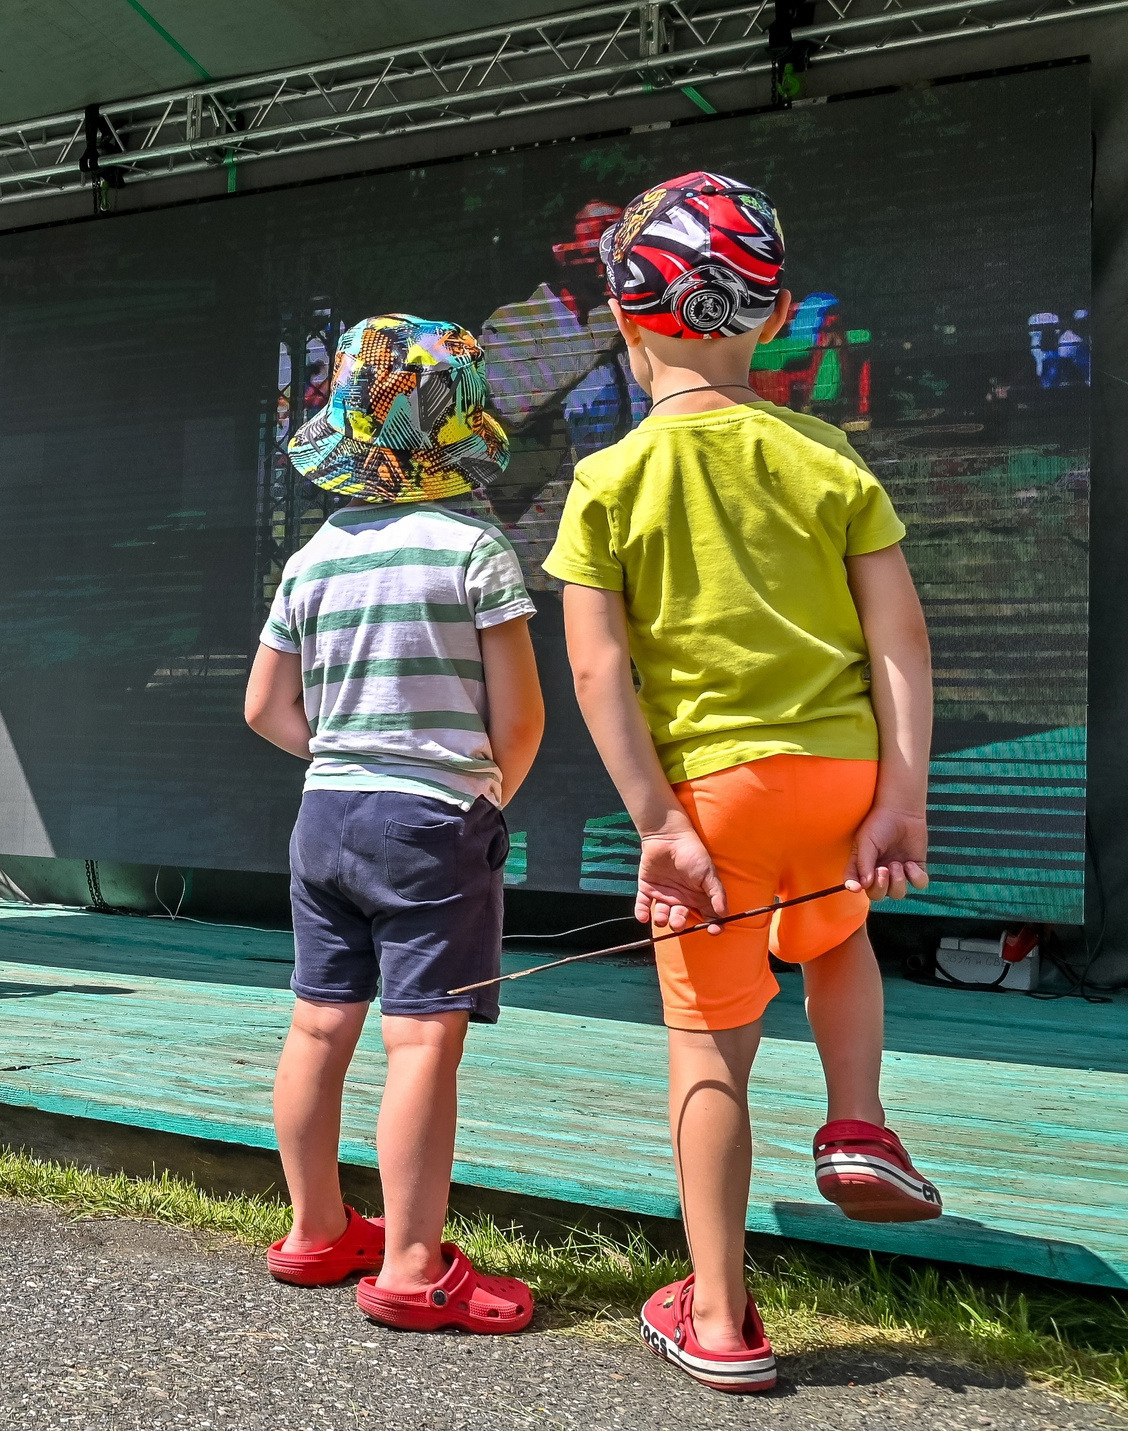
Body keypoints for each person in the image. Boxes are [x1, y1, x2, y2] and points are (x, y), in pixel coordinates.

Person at [547, 172, 939, 1394]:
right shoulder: (825, 457)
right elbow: (899, 642)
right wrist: (900, 795)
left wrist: (657, 821)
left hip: (710, 802)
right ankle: (857, 1121)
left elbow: (595, 666)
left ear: (622, 317)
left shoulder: (609, 482)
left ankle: (717, 1316)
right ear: (768, 319)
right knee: (836, 943)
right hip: (837, 779)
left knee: (706, 1050)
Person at [245, 314, 545, 1335]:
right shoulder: (476, 548)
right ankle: (415, 1266)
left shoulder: (310, 558)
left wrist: (344, 758)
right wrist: (483, 791)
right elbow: (520, 718)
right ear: (456, 431)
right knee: (421, 1044)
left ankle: (316, 1230)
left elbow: (263, 711)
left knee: (318, 1024)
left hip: (322, 816)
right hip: (430, 823)